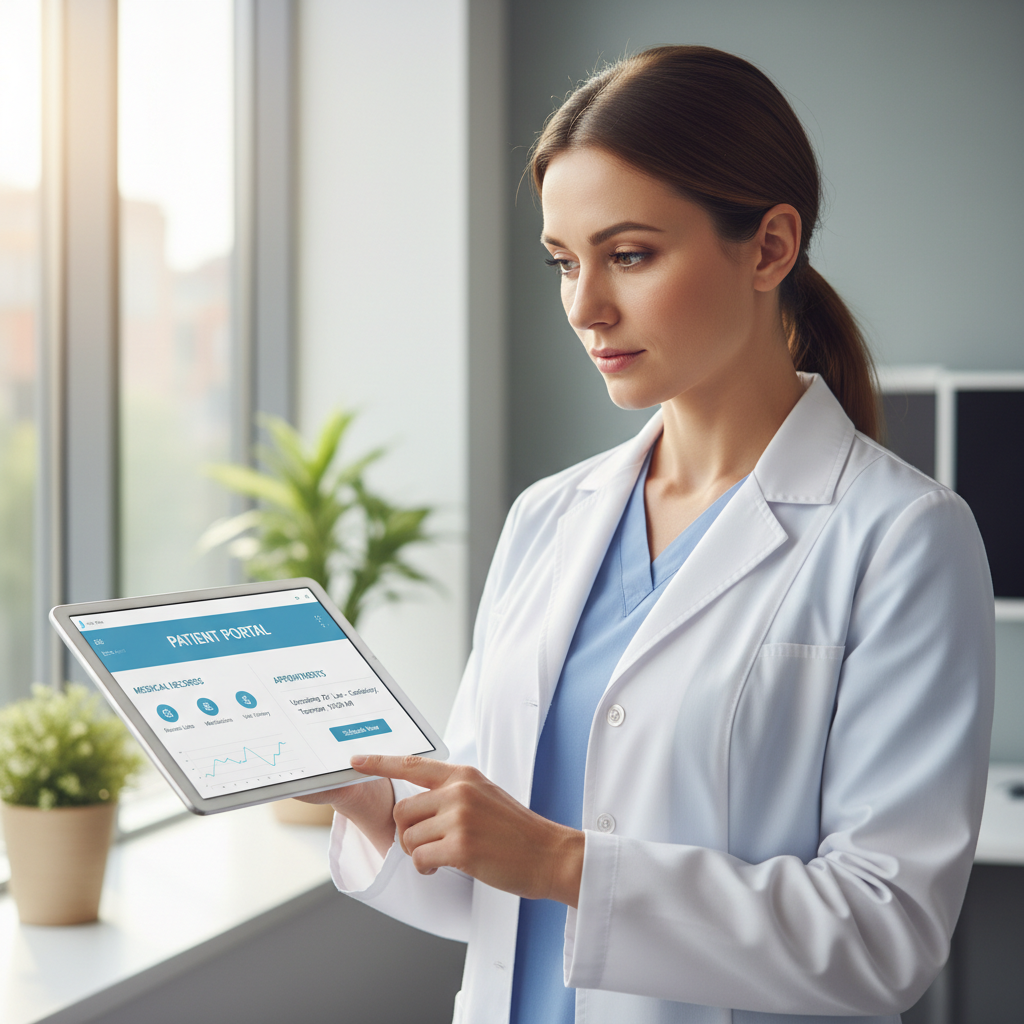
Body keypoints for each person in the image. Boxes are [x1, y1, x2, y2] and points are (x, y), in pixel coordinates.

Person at [300, 45, 994, 1023]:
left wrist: (562, 858)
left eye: (628, 255)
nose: (583, 308)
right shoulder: (548, 517)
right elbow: (492, 888)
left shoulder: (903, 538)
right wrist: (379, 806)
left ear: (768, 247)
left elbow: (881, 936)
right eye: (562, 262)